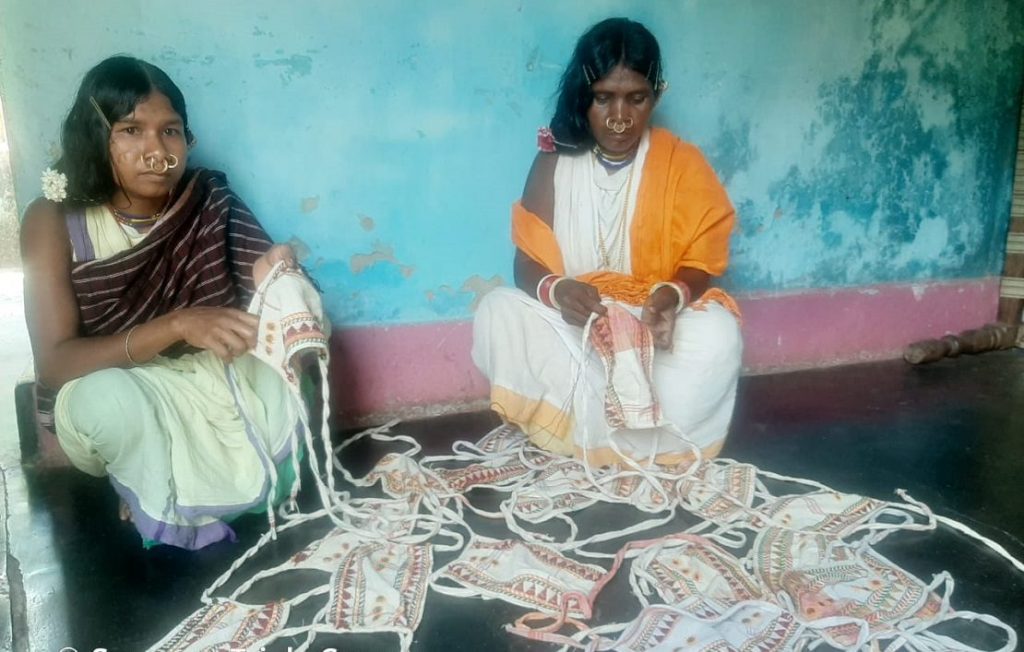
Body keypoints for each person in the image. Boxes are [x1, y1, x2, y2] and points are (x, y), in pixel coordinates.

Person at [20, 56, 304, 549]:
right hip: (123, 387)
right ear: (96, 134)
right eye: (131, 130)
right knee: (106, 403)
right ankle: (150, 485)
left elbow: (268, 292)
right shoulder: (54, 219)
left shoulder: (208, 197)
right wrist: (177, 325)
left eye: (170, 131)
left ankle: (193, 487)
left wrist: (278, 281)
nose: (155, 150)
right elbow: (56, 363)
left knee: (294, 342)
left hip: (212, 377)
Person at [472, 18, 742, 467]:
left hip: (651, 322)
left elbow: (702, 261)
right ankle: (596, 432)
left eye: (636, 98)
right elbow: (526, 263)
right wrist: (560, 291)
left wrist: (670, 297)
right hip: (580, 321)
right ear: (585, 95)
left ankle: (598, 436)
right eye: (604, 98)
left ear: (657, 94)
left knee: (719, 333)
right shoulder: (552, 162)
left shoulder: (683, 162)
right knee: (497, 311)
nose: (620, 116)